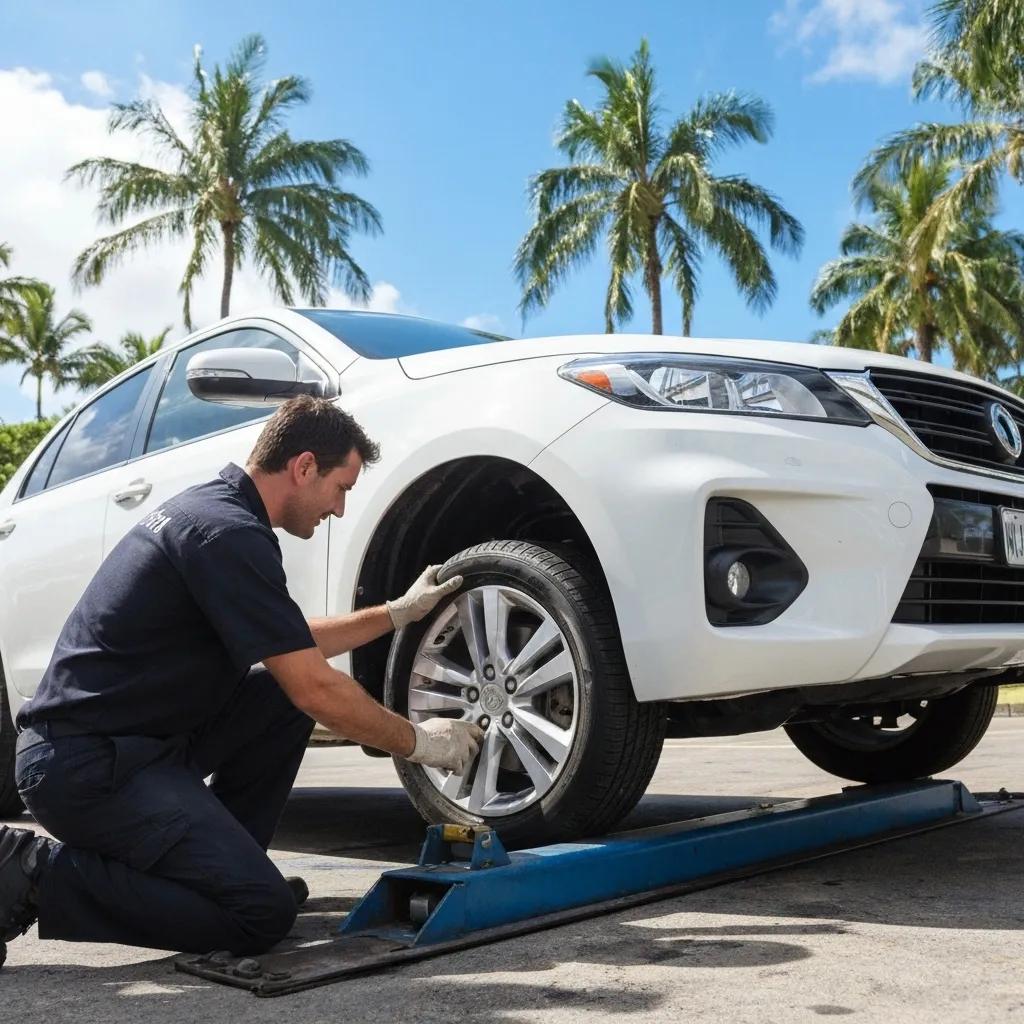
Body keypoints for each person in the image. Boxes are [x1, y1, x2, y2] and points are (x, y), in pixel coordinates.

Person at [0, 395, 482, 964]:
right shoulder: (226, 533)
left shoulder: (216, 515)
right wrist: (424, 743)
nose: (340, 509)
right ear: (304, 467)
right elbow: (317, 688)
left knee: (276, 695)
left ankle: (229, 866)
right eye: (341, 488)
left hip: (133, 748)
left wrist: (396, 612)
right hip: (85, 767)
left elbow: (289, 640)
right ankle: (29, 871)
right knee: (258, 916)